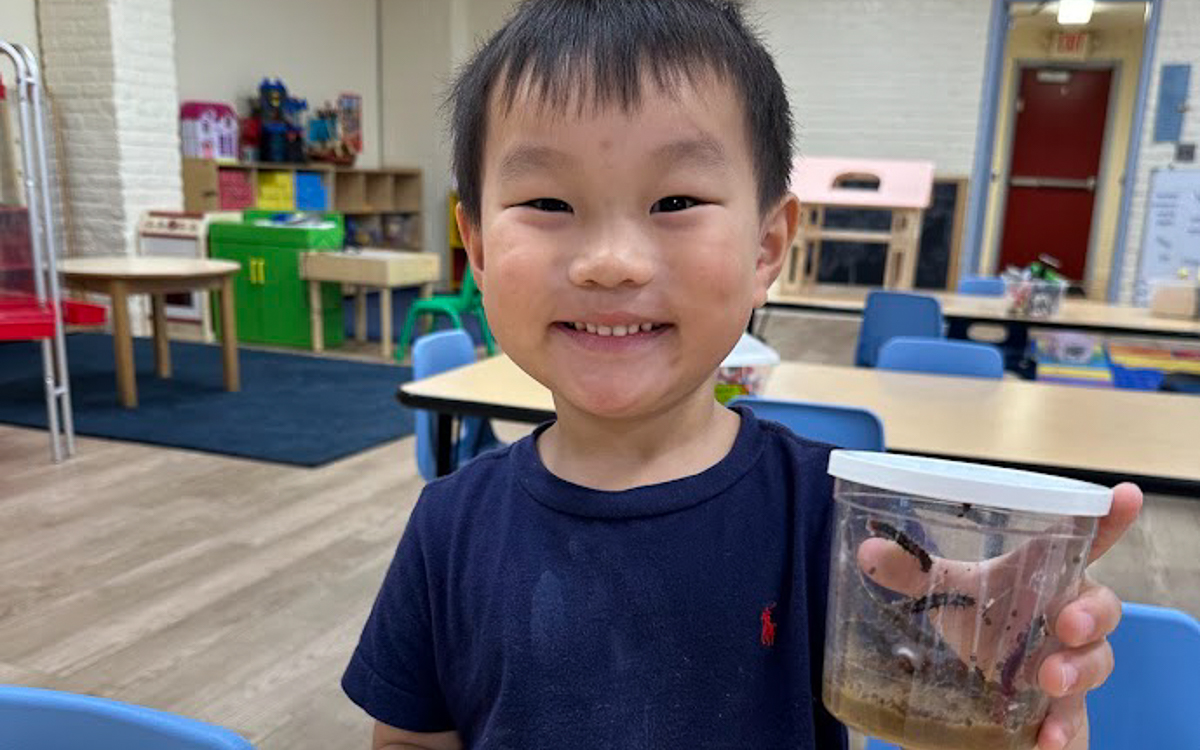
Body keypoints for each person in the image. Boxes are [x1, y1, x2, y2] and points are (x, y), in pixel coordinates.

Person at [342, 1, 1142, 748]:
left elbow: (938, 684)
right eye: (549, 202)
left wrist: (993, 670)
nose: (611, 263)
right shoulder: (447, 528)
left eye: (676, 199)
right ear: (476, 247)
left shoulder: (838, 526)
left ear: (766, 248)